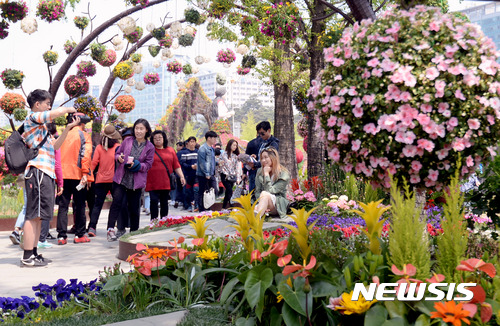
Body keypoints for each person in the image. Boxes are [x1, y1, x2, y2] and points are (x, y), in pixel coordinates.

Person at [21, 89, 78, 267]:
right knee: (32, 216)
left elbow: (55, 146)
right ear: (37, 104)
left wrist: (68, 129)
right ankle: (27, 255)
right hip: (37, 170)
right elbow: (57, 112)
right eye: (47, 103)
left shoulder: (43, 127)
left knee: (39, 216)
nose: (49, 107)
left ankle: (34, 253)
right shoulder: (32, 118)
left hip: (46, 172)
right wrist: (69, 109)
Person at [107, 119, 154, 240]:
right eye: (137, 128)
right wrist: (119, 158)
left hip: (136, 181)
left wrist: (138, 165)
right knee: (116, 203)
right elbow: (117, 154)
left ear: (146, 130)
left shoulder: (150, 147)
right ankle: (110, 229)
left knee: (134, 207)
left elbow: (148, 165)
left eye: (141, 129)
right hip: (121, 178)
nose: (138, 131)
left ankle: (134, 232)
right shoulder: (127, 141)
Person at [56, 113, 93, 245]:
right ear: (82, 123)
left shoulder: (62, 135)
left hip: (62, 175)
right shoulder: (85, 136)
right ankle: (79, 235)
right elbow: (86, 156)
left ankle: (61, 236)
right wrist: (85, 174)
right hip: (78, 175)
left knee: (63, 206)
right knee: (80, 205)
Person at [87, 124, 122, 238]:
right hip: (115, 180)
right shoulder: (118, 146)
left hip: (101, 180)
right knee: (115, 204)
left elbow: (93, 163)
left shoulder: (99, 147)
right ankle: (110, 227)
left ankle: (92, 227)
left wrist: (88, 176)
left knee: (97, 204)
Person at [146, 131, 186, 220]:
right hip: (152, 181)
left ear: (164, 138)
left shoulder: (170, 150)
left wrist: (182, 176)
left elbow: (176, 165)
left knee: (164, 202)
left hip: (165, 180)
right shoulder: (149, 150)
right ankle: (154, 221)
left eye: (159, 137)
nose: (157, 140)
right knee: (154, 201)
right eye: (155, 138)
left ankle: (164, 220)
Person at [38, 122, 63, 248]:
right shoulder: (53, 142)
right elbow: (57, 164)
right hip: (48, 176)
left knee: (34, 209)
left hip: (33, 176)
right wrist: (60, 183)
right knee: (47, 208)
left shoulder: (35, 139)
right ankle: (42, 239)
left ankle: (32, 237)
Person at [254, 147, 290, 219]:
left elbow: (271, 191)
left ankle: (257, 217)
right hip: (263, 201)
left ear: (273, 158)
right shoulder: (260, 171)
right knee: (253, 209)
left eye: (266, 157)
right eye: (261, 158)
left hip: (278, 204)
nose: (263, 160)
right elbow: (257, 191)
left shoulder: (284, 174)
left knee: (264, 193)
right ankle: (257, 217)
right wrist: (262, 203)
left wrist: (266, 174)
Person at [246, 121, 280, 194]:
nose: (261, 135)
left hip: (267, 173)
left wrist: (255, 164)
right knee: (254, 195)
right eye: (259, 133)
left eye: (262, 133)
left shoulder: (274, 143)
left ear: (269, 130)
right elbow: (261, 156)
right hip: (258, 172)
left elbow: (270, 159)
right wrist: (255, 157)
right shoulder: (260, 141)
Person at [196, 130, 218, 212]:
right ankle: (202, 209)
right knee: (203, 192)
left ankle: (208, 207)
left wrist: (218, 163)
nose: (215, 140)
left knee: (212, 191)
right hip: (203, 175)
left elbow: (211, 162)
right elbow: (202, 163)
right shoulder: (203, 149)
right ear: (209, 138)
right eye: (214, 138)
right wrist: (207, 173)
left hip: (210, 174)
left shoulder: (211, 149)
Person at [219, 139, 242, 209]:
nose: (235, 147)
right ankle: (231, 205)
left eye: (236, 145)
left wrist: (238, 178)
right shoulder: (223, 154)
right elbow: (219, 164)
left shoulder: (236, 156)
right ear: (230, 145)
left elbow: (237, 167)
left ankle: (224, 206)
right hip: (224, 175)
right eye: (234, 145)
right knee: (229, 190)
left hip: (232, 176)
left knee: (228, 191)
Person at [180, 136, 199, 212]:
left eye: (193, 142)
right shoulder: (185, 153)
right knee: (188, 191)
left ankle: (197, 205)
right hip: (188, 175)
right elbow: (182, 164)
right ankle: (189, 206)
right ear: (188, 143)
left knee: (196, 189)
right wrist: (191, 166)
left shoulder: (198, 152)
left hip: (197, 174)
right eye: (191, 142)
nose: (192, 143)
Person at [172, 141, 187, 208]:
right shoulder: (188, 152)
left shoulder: (178, 153)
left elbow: (175, 164)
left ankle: (178, 200)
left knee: (179, 188)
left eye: (178, 146)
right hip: (186, 173)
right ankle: (184, 201)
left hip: (179, 173)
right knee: (185, 188)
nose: (177, 147)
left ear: (182, 146)